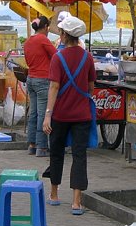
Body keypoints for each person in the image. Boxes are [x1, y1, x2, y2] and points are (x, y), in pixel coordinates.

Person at [43, 16, 96, 215]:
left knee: (56, 153)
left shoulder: (58, 58)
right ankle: (76, 202)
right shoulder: (87, 57)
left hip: (60, 115)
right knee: (79, 156)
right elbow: (91, 86)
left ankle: (54, 195)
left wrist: (48, 114)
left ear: (65, 35)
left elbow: (54, 87)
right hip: (82, 115)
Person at [24, 16, 57, 157]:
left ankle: (32, 144)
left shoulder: (28, 41)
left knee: (33, 113)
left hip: (30, 79)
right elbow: (56, 56)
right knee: (43, 114)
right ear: (45, 27)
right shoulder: (43, 39)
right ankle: (42, 147)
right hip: (43, 80)